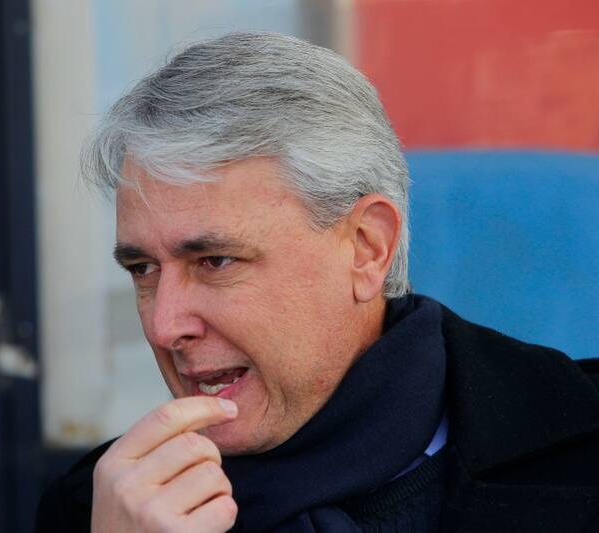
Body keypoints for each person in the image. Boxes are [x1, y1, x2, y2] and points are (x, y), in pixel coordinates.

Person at [35, 32, 599, 532]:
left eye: (216, 261)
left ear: (365, 248)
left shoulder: (575, 441)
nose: (165, 325)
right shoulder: (102, 508)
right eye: (143, 270)